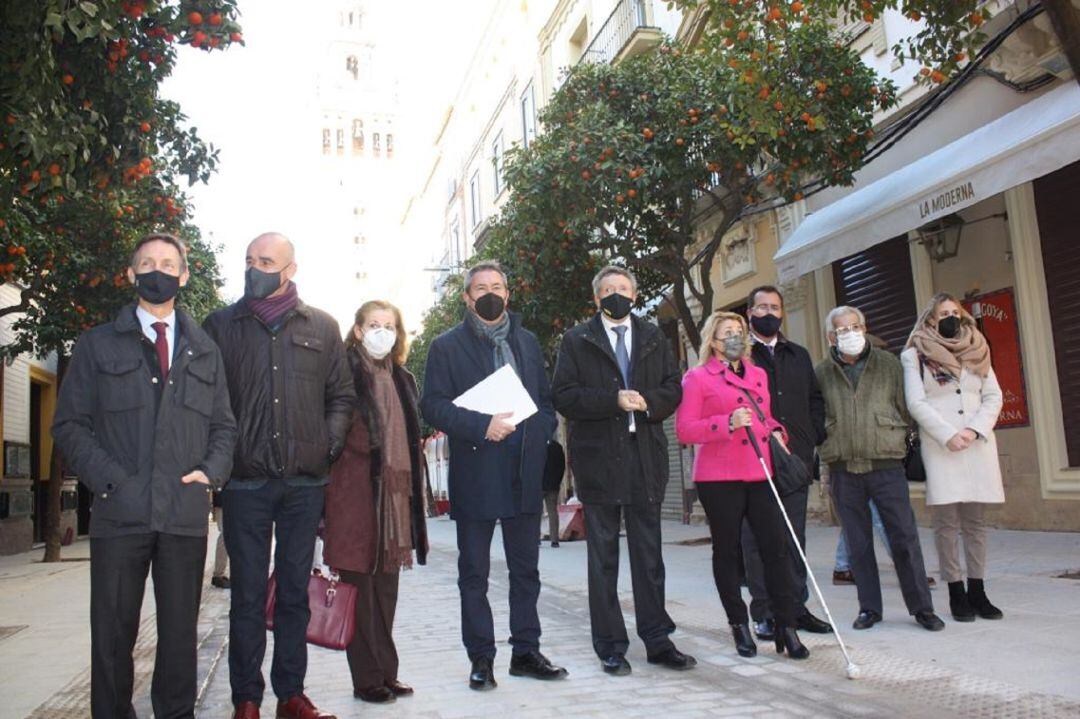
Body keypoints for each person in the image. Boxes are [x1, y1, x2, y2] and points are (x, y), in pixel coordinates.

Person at [53, 234, 237, 718]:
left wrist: (211, 473)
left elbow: (223, 426)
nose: (158, 271)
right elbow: (69, 425)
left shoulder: (204, 350)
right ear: (132, 274)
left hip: (182, 515)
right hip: (121, 514)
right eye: (147, 263)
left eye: (168, 263)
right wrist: (110, 481)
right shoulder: (96, 345)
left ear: (184, 275)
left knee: (179, 639)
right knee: (113, 637)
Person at [203, 233, 355, 719]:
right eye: (249, 260)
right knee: (246, 596)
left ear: (290, 269)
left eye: (265, 261)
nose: (255, 268)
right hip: (245, 483)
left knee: (294, 594)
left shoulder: (323, 327)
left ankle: (290, 695)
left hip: (304, 485)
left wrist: (325, 445)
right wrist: (222, 460)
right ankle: (246, 699)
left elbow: (342, 397)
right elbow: (207, 401)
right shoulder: (222, 326)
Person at [420, 260, 567, 690]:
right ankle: (481, 659)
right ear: (467, 297)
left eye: (497, 286)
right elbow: (432, 405)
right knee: (474, 575)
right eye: (480, 287)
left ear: (508, 294)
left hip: (525, 470)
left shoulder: (527, 341)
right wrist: (481, 425)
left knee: (527, 572)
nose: (489, 293)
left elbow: (543, 399)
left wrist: (539, 430)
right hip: (478, 470)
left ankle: (526, 651)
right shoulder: (446, 346)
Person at [552, 265, 695, 675]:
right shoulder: (577, 339)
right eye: (608, 289)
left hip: (645, 457)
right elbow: (564, 396)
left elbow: (673, 387)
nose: (617, 294)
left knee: (649, 556)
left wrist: (646, 402)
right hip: (599, 460)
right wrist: (612, 400)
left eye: (624, 288)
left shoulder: (652, 335)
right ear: (597, 299)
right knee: (603, 557)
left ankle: (657, 639)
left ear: (634, 294)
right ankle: (610, 644)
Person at [675, 310, 809, 661]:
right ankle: (738, 624)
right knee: (728, 551)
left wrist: (778, 431)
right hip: (719, 477)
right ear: (713, 341)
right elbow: (686, 430)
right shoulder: (697, 378)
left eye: (738, 331)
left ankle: (786, 625)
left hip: (760, 472)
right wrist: (726, 422)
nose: (735, 337)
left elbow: (765, 418)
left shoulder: (759, 375)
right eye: (726, 332)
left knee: (776, 548)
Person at [322, 300, 429, 704]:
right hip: (353, 499)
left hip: (394, 504)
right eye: (374, 324)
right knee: (359, 594)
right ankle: (366, 678)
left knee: (386, 592)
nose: (382, 331)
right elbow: (331, 433)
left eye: (390, 325)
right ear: (358, 329)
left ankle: (387, 671)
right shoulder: (343, 375)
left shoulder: (402, 378)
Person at [815, 305, 945, 632]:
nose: (850, 334)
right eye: (843, 330)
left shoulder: (890, 365)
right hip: (844, 468)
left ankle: (922, 609)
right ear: (832, 336)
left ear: (865, 327)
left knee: (904, 537)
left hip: (886, 465)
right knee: (858, 544)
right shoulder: (821, 373)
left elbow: (907, 409)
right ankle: (869, 608)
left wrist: (896, 438)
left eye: (855, 326)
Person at [902, 292, 1005, 622]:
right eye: (942, 313)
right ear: (931, 319)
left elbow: (993, 396)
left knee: (975, 523)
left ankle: (978, 590)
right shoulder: (915, 355)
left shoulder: (979, 349)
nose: (950, 317)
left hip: (977, 445)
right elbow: (916, 403)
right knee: (946, 524)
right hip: (941, 446)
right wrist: (949, 434)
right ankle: (956, 591)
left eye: (954, 312)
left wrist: (974, 431)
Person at [740, 286, 832, 640]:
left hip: (794, 459)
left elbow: (814, 398)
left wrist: (812, 437)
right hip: (753, 460)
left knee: (794, 537)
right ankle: (764, 612)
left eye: (774, 307)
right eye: (761, 306)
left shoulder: (798, 354)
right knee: (758, 538)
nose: (769, 312)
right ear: (749, 313)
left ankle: (795, 607)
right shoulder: (741, 356)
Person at [541, 439, 566, 547]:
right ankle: (554, 540)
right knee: (553, 512)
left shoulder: (537, 444)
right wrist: (558, 481)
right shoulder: (557, 447)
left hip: (539, 484)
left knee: (536, 512)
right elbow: (562, 466)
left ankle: (535, 537)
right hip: (553, 485)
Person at [211, 490, 230, 588]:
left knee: (228, 534)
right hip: (223, 498)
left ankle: (219, 574)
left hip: (231, 498)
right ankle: (218, 575)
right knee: (226, 534)